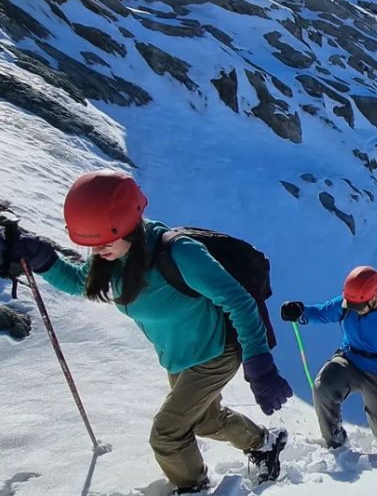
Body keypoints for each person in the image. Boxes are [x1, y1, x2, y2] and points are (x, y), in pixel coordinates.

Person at [0, 170, 292, 494]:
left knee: (167, 433)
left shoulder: (180, 253)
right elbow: (82, 283)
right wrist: (44, 259)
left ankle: (192, 487)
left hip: (214, 353)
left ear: (127, 224)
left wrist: (259, 363)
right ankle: (265, 443)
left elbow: (239, 302)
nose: (97, 251)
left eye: (104, 242)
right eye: (92, 244)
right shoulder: (111, 252)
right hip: (180, 356)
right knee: (205, 420)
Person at [280, 266, 377, 449]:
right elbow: (322, 312)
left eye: (359, 307)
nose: (354, 310)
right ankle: (335, 441)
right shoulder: (349, 302)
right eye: (351, 306)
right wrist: (300, 311)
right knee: (322, 388)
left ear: (374, 296)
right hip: (350, 360)